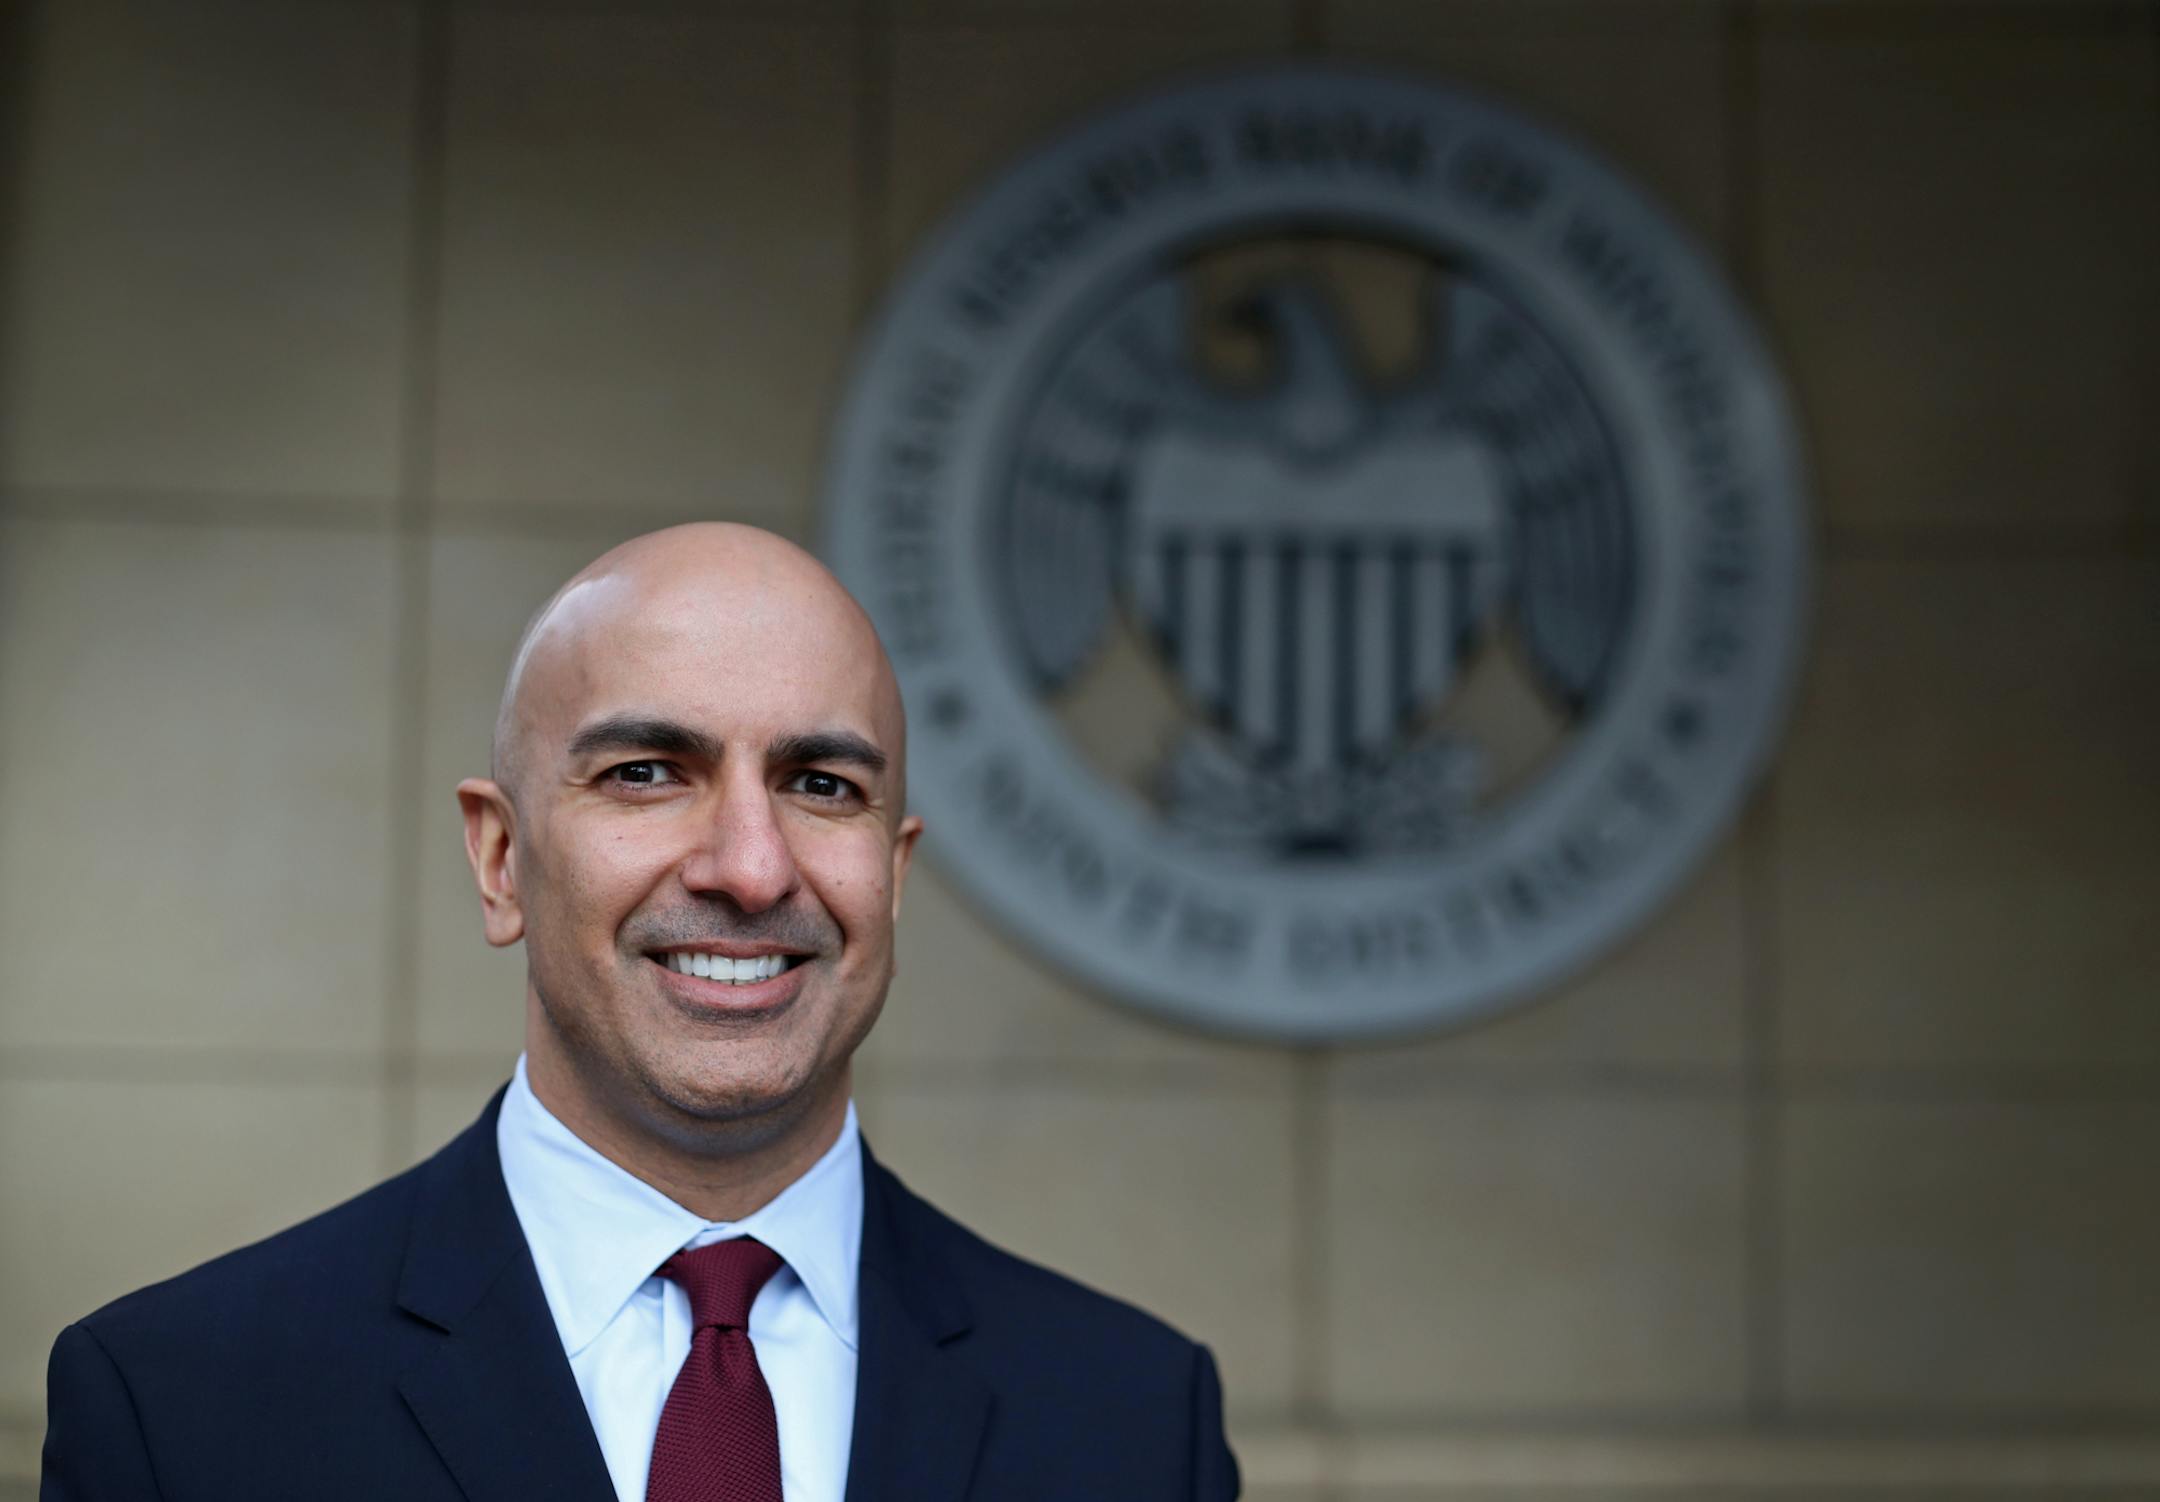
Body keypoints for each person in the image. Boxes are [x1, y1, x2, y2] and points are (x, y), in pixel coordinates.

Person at [40, 524, 1240, 1502]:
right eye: (647, 772)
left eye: (821, 783)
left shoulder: (1135, 1421)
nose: (752, 867)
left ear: (894, 873)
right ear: (501, 859)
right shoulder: (178, 1406)